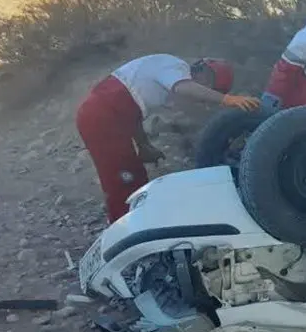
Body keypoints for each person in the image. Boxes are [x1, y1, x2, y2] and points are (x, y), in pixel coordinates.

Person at [76, 54, 261, 223]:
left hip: (109, 115)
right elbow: (183, 88)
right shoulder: (174, 67)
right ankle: (123, 228)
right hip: (101, 114)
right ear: (204, 72)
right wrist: (227, 99)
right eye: (209, 86)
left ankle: (134, 223)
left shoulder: (165, 76)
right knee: (122, 178)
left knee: (134, 174)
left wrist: (143, 144)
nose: (205, 93)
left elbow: (134, 112)